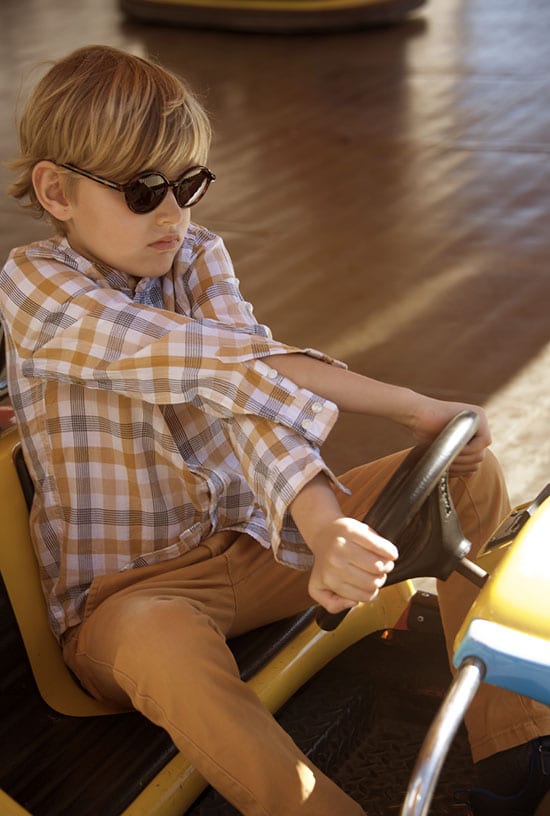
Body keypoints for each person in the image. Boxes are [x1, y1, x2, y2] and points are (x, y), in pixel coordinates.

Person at [0, 45, 548, 816]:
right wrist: (401, 402)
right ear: (56, 191)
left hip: (246, 552)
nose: (173, 213)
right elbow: (219, 364)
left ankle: (516, 752)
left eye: (187, 185)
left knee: (467, 473)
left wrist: (322, 528)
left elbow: (253, 399)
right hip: (126, 603)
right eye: (143, 190)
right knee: (166, 642)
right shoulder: (35, 287)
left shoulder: (194, 257)